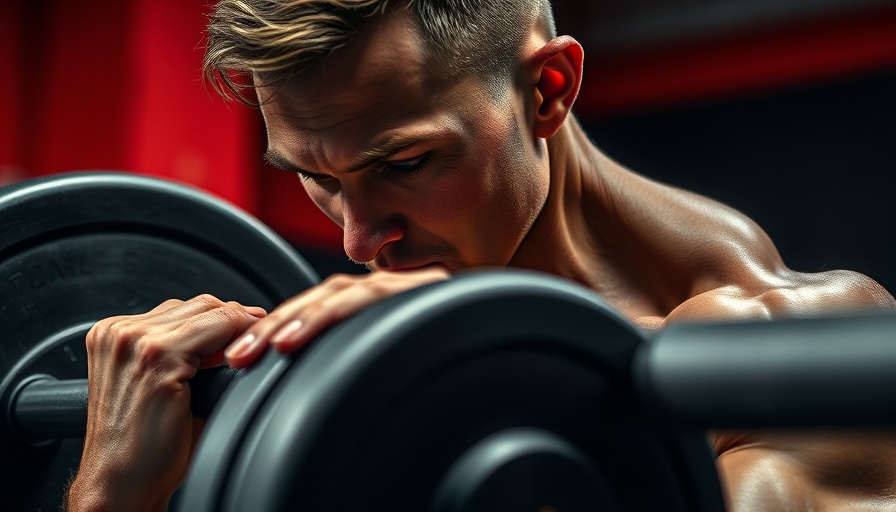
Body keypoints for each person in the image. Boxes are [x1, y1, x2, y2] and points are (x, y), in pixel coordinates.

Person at [66, 1, 896, 510]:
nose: (359, 241)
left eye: (405, 164)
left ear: (547, 90)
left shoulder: (796, 369)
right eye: (316, 178)